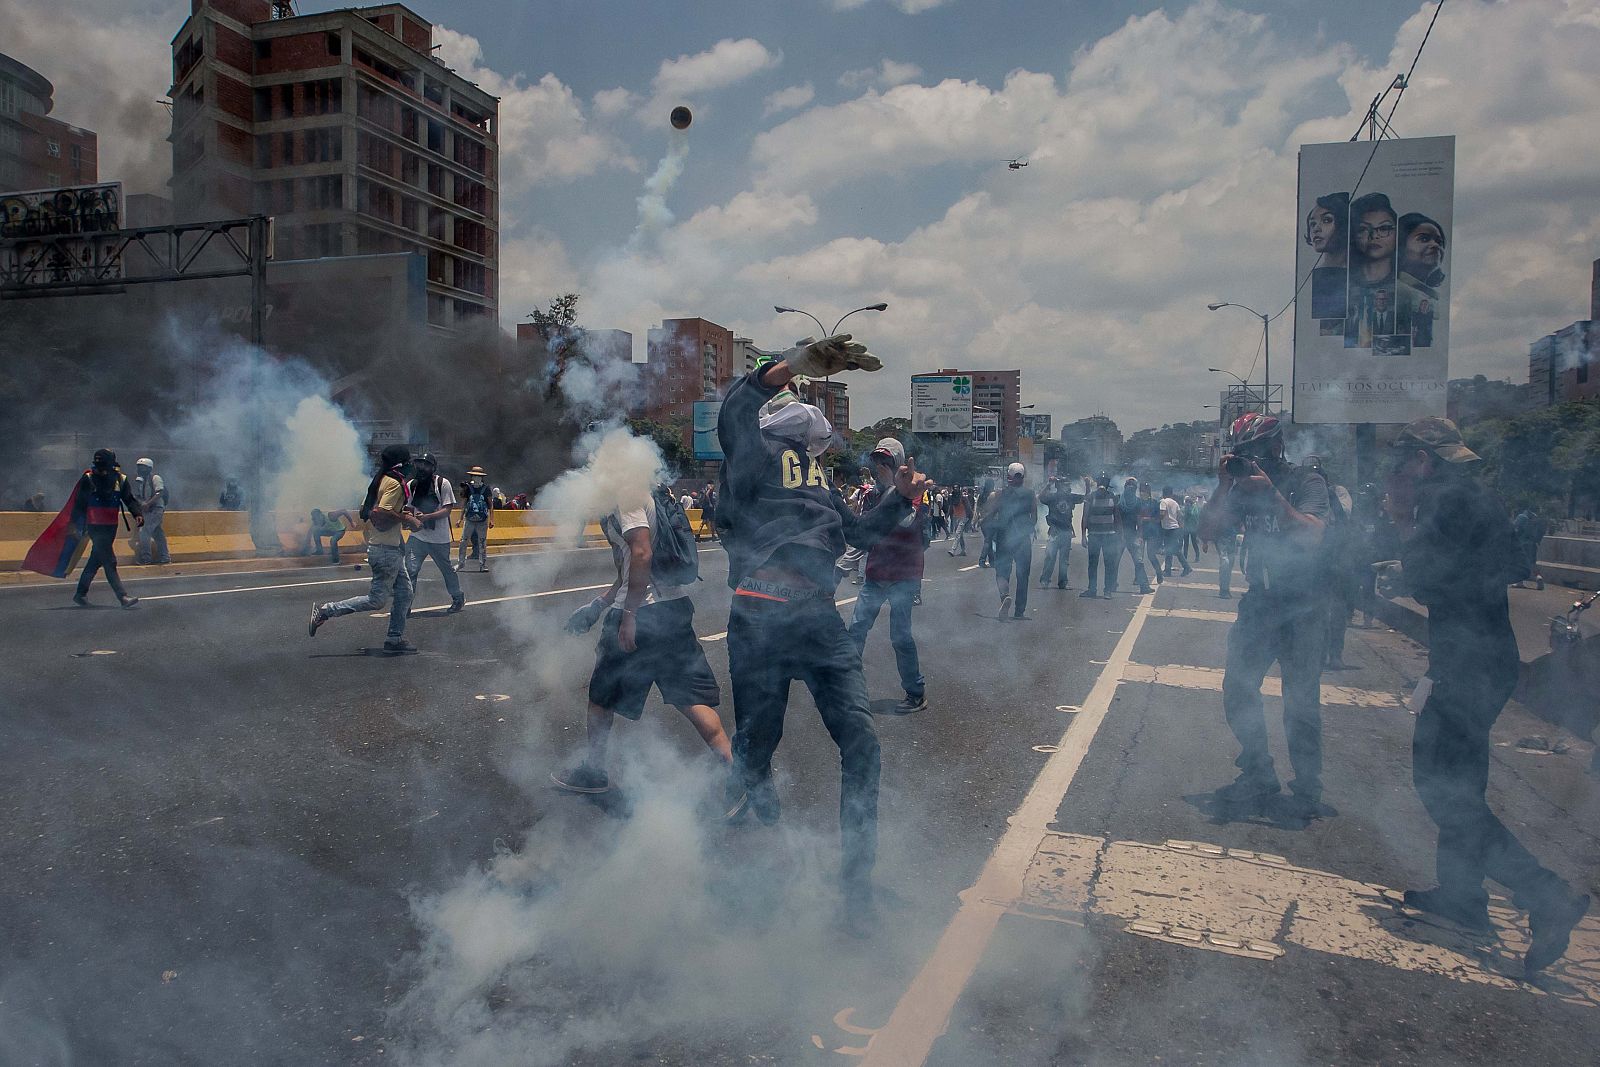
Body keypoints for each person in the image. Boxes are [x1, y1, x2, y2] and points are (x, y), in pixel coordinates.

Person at [717, 333, 920, 932]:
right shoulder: (751, 459)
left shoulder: (819, 483)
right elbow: (735, 412)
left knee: (861, 743)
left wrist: (900, 499)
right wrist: (791, 367)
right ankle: (736, 811)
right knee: (756, 743)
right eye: (804, 440)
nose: (813, 446)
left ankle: (857, 888)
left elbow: (856, 536)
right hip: (759, 618)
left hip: (818, 622)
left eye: (815, 444)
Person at [1384, 417, 1589, 973]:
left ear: (1423, 460)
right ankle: (1462, 897)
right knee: (1461, 784)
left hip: (1467, 663)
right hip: (1485, 655)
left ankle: (1547, 895)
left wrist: (1403, 524)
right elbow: (1508, 566)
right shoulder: (1479, 496)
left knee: (1441, 788)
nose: (1396, 472)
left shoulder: (1441, 503)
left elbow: (1428, 580)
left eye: (1402, 461)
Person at [552, 484, 739, 810]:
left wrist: (628, 614)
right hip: (673, 610)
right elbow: (629, 570)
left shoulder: (626, 495)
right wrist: (598, 605)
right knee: (692, 700)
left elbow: (641, 554)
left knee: (601, 698)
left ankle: (594, 773)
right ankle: (738, 782)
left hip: (642, 614)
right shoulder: (651, 492)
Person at [1198, 412, 1330, 813]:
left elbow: (1312, 535)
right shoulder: (1239, 489)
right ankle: (1258, 770)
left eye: (1253, 452)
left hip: (1303, 604)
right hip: (1260, 602)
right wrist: (1223, 488)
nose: (1247, 461)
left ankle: (1308, 785)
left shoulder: (1306, 481)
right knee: (1237, 687)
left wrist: (1274, 497)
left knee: (1301, 701)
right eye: (1239, 454)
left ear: (1275, 446)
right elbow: (1206, 533)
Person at [308, 445, 419, 653]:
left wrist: (402, 514)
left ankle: (394, 640)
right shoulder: (394, 483)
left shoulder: (379, 480)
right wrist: (407, 519)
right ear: (400, 464)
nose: (410, 465)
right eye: (408, 461)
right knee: (377, 600)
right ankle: (326, 610)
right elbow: (380, 512)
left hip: (389, 547)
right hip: (385, 550)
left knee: (405, 593)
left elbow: (365, 510)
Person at [848, 438, 930, 714]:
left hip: (903, 574)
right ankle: (847, 688)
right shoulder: (871, 493)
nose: (880, 468)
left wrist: (896, 491)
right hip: (876, 572)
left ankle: (915, 692)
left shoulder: (913, 489)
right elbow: (862, 531)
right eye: (878, 462)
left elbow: (907, 522)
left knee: (900, 636)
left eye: (887, 463)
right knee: (856, 628)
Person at [71, 449, 143, 608]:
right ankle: (122, 596)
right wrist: (75, 525)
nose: (100, 469)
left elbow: (129, 499)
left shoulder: (121, 479)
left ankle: (80, 594)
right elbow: (79, 504)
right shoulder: (88, 478)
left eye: (103, 465)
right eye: (98, 465)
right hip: (95, 526)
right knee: (110, 561)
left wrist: (137, 513)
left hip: (111, 527)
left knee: (95, 561)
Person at [403, 452, 465, 615]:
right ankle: (405, 604)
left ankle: (457, 597)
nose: (421, 468)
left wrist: (427, 517)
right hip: (417, 537)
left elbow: (447, 509)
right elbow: (408, 507)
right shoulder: (412, 485)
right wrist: (408, 518)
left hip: (438, 539)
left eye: (425, 465)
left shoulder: (442, 484)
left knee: (446, 570)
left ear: (433, 468)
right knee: (410, 570)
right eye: (419, 465)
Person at [989, 462, 1038, 619]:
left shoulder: (1001, 494)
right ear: (1023, 477)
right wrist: (1028, 528)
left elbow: (992, 512)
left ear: (1009, 476)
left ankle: (1005, 596)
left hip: (1004, 538)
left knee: (1002, 572)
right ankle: (1019, 611)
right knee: (1023, 575)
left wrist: (983, 523)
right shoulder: (1030, 494)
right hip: (1023, 539)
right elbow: (1034, 516)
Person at [1305, 190, 1350, 319]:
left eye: (1326, 220)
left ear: (1343, 224)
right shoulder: (1320, 277)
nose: (1316, 228)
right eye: (1312, 223)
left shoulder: (1358, 271)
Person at [1080, 472, 1122, 599]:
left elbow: (1117, 517)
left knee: (1109, 563)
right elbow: (1085, 517)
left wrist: (1120, 535)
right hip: (1094, 535)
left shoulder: (1113, 497)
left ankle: (1107, 590)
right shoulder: (1090, 497)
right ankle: (1092, 589)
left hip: (1109, 536)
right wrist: (1083, 535)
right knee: (1093, 563)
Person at [1038, 475, 1084, 589]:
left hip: (1066, 530)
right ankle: (1045, 580)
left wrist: (1087, 485)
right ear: (1059, 486)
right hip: (1055, 530)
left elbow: (1086, 497)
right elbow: (1041, 497)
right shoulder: (1053, 497)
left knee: (1064, 560)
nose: (1067, 487)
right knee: (1050, 557)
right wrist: (1049, 485)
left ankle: (1063, 582)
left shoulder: (1070, 497)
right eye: (1065, 485)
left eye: (1068, 485)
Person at [1115, 478, 1155, 595]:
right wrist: (1121, 534)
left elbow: (1139, 520)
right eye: (1129, 486)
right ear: (1125, 487)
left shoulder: (1137, 502)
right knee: (1115, 561)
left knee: (1139, 561)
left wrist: (1140, 536)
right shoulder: (1119, 500)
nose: (1131, 488)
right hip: (1120, 535)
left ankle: (1144, 586)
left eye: (1133, 486)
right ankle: (1111, 584)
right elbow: (1117, 519)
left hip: (1132, 535)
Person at [131, 457, 170, 565]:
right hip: (147, 510)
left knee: (144, 531)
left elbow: (160, 492)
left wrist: (148, 503)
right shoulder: (139, 480)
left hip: (156, 509)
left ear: (149, 468)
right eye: (139, 467)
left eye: (142, 467)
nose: (140, 469)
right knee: (157, 533)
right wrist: (141, 503)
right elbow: (137, 496)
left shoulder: (155, 478)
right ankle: (165, 557)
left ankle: (146, 558)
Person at [456, 466, 494, 572]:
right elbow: (463, 504)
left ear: (482, 478)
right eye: (475, 476)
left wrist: (492, 519)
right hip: (469, 519)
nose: (476, 478)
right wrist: (460, 519)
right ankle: (460, 563)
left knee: (482, 542)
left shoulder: (486, 489)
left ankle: (482, 564)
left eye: (478, 476)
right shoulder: (467, 488)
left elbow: (490, 505)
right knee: (463, 541)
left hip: (482, 520)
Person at [1512, 505, 1547, 590]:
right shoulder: (1536, 519)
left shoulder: (1521, 517)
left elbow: (1514, 528)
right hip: (1533, 544)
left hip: (1522, 543)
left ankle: (1520, 582)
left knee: (1520, 563)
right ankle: (1539, 578)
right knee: (1532, 563)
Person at [1158, 485, 1190, 577]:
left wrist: (1156, 520)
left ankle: (1186, 567)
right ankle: (1168, 570)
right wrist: (1181, 528)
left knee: (1174, 550)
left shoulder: (1163, 502)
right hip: (1175, 528)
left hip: (1168, 529)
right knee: (1170, 550)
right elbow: (1180, 516)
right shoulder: (1175, 503)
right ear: (1171, 493)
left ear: (1163, 493)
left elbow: (1162, 513)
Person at [946, 487, 971, 557]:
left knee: (958, 533)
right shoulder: (952, 498)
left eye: (957, 487)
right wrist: (947, 516)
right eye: (954, 487)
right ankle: (963, 550)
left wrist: (969, 519)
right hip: (956, 517)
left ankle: (953, 550)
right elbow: (950, 507)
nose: (955, 489)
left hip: (963, 517)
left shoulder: (963, 498)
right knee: (960, 535)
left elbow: (968, 508)